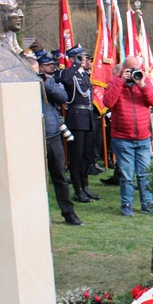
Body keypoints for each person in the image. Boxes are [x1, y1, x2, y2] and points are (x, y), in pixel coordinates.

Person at [103, 57, 153, 216]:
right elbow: (108, 102)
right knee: (127, 175)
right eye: (131, 69)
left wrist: (142, 85)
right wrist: (121, 81)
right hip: (122, 137)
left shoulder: (144, 81)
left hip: (142, 137)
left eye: (138, 68)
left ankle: (147, 203)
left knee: (145, 173)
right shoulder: (115, 81)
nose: (135, 72)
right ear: (124, 69)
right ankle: (127, 204)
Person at [37, 53, 82, 226]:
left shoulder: (49, 82)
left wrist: (46, 83)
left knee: (60, 177)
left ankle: (69, 213)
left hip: (52, 134)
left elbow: (63, 97)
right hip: (34, 136)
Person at [59, 44, 100, 204]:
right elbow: (64, 80)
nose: (84, 59)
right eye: (79, 57)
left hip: (88, 118)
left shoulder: (84, 76)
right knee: (76, 156)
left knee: (87, 155)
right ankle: (77, 190)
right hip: (76, 119)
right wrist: (74, 64)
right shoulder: (70, 74)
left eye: (83, 57)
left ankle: (85, 187)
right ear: (72, 59)